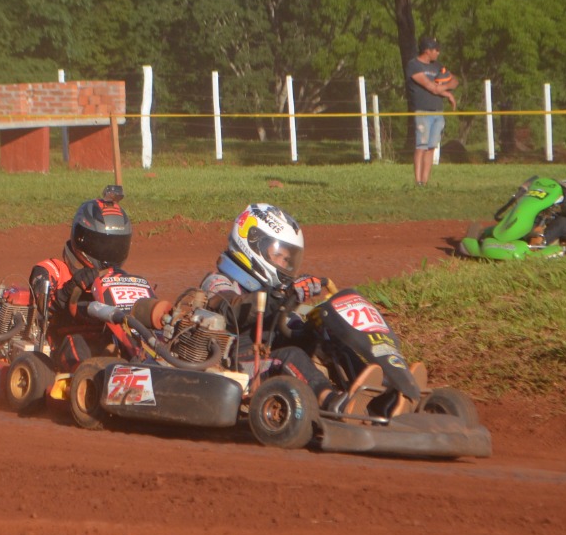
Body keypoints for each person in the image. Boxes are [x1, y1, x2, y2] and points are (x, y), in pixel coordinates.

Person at [197, 203, 424, 416]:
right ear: (252, 243)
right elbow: (232, 310)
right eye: (279, 256)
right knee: (292, 355)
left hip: (269, 353)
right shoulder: (219, 282)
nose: (285, 265)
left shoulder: (274, 290)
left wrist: (315, 326)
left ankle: (383, 396)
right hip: (237, 361)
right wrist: (282, 296)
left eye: (288, 259)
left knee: (326, 339)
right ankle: (332, 402)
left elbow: (288, 326)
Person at [26, 186, 158, 369]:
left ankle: (156, 363)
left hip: (107, 340)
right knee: (77, 343)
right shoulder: (51, 269)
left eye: (115, 246)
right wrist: (68, 291)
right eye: (102, 245)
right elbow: (41, 308)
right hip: (63, 342)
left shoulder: (117, 278)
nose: (108, 253)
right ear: (82, 239)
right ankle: (89, 379)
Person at [406, 36, 459, 188]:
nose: (438, 53)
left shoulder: (437, 66)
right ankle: (418, 182)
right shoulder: (414, 65)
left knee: (431, 147)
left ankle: (425, 181)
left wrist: (445, 90)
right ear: (427, 50)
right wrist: (445, 90)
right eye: (436, 50)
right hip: (423, 111)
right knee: (421, 146)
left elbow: (454, 81)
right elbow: (430, 87)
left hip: (438, 111)